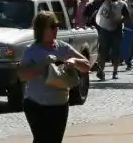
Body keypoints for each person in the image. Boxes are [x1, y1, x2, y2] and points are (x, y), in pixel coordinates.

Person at [18, 11, 91, 143]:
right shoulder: (31, 51)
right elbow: (22, 75)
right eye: (52, 26)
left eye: (57, 25)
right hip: (36, 105)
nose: (56, 29)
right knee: (42, 139)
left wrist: (74, 62)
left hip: (60, 104)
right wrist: (43, 65)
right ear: (41, 29)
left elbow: (86, 65)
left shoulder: (62, 47)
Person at [94, 0, 128, 80]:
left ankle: (115, 71)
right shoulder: (104, 2)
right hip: (104, 30)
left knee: (115, 52)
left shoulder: (122, 4)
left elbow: (127, 18)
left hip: (116, 31)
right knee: (103, 51)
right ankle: (101, 71)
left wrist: (119, 20)